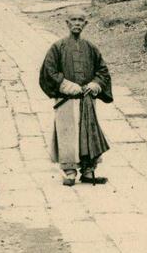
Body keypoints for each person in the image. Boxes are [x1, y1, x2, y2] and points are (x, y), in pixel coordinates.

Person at [39, 10, 113, 186]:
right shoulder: (57, 47)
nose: (77, 23)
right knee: (67, 135)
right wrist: (66, 85)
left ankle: (88, 171)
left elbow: (102, 71)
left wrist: (95, 84)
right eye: (74, 20)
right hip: (66, 100)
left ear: (86, 24)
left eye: (81, 20)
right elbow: (49, 71)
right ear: (67, 23)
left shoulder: (91, 48)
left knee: (88, 134)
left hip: (87, 100)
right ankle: (70, 172)